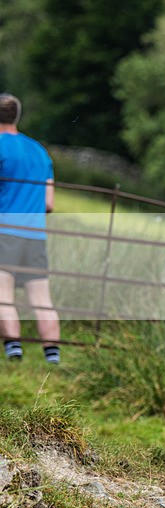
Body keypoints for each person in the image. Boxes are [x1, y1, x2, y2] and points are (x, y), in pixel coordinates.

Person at [0, 93, 61, 365]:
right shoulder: (39, 151)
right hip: (35, 235)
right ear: (17, 115)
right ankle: (53, 356)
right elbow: (49, 203)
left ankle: (14, 351)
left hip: (5, 232)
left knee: (3, 295)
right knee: (42, 299)